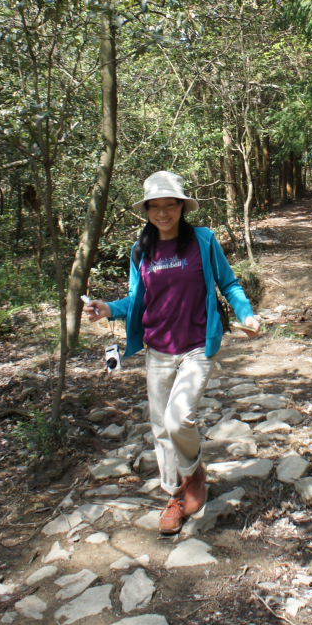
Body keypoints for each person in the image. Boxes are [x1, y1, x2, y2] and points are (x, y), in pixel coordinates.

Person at [84, 170, 260, 535]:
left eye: (170, 205)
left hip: (197, 346)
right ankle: (176, 494)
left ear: (182, 206)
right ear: (147, 209)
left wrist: (246, 313)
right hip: (157, 350)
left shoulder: (203, 241)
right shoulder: (141, 249)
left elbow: (228, 282)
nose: (163, 213)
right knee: (161, 428)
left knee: (179, 420)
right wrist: (109, 308)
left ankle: (194, 471)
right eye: (155, 206)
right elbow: (138, 298)